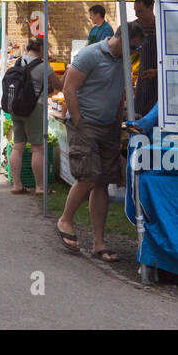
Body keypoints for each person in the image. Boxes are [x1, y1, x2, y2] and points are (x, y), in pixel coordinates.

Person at [55, 31, 126, 262]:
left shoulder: (123, 60)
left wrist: (117, 127)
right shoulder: (91, 54)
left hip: (109, 127)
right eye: (132, 46)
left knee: (102, 182)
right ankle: (65, 219)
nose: (133, 52)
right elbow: (68, 87)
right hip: (86, 124)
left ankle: (99, 242)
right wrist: (78, 121)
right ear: (121, 38)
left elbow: (121, 95)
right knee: (88, 177)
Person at [10, 37, 62, 196]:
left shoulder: (18, 62)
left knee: (18, 146)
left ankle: (17, 184)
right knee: (37, 148)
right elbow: (59, 86)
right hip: (34, 108)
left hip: (16, 106)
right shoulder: (43, 66)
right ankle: (40, 187)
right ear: (40, 48)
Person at [132, 0, 158, 117]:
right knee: (139, 117)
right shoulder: (134, 28)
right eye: (135, 11)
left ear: (151, 8)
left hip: (160, 83)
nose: (137, 15)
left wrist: (157, 71)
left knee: (156, 117)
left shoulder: (162, 26)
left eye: (140, 11)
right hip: (142, 82)